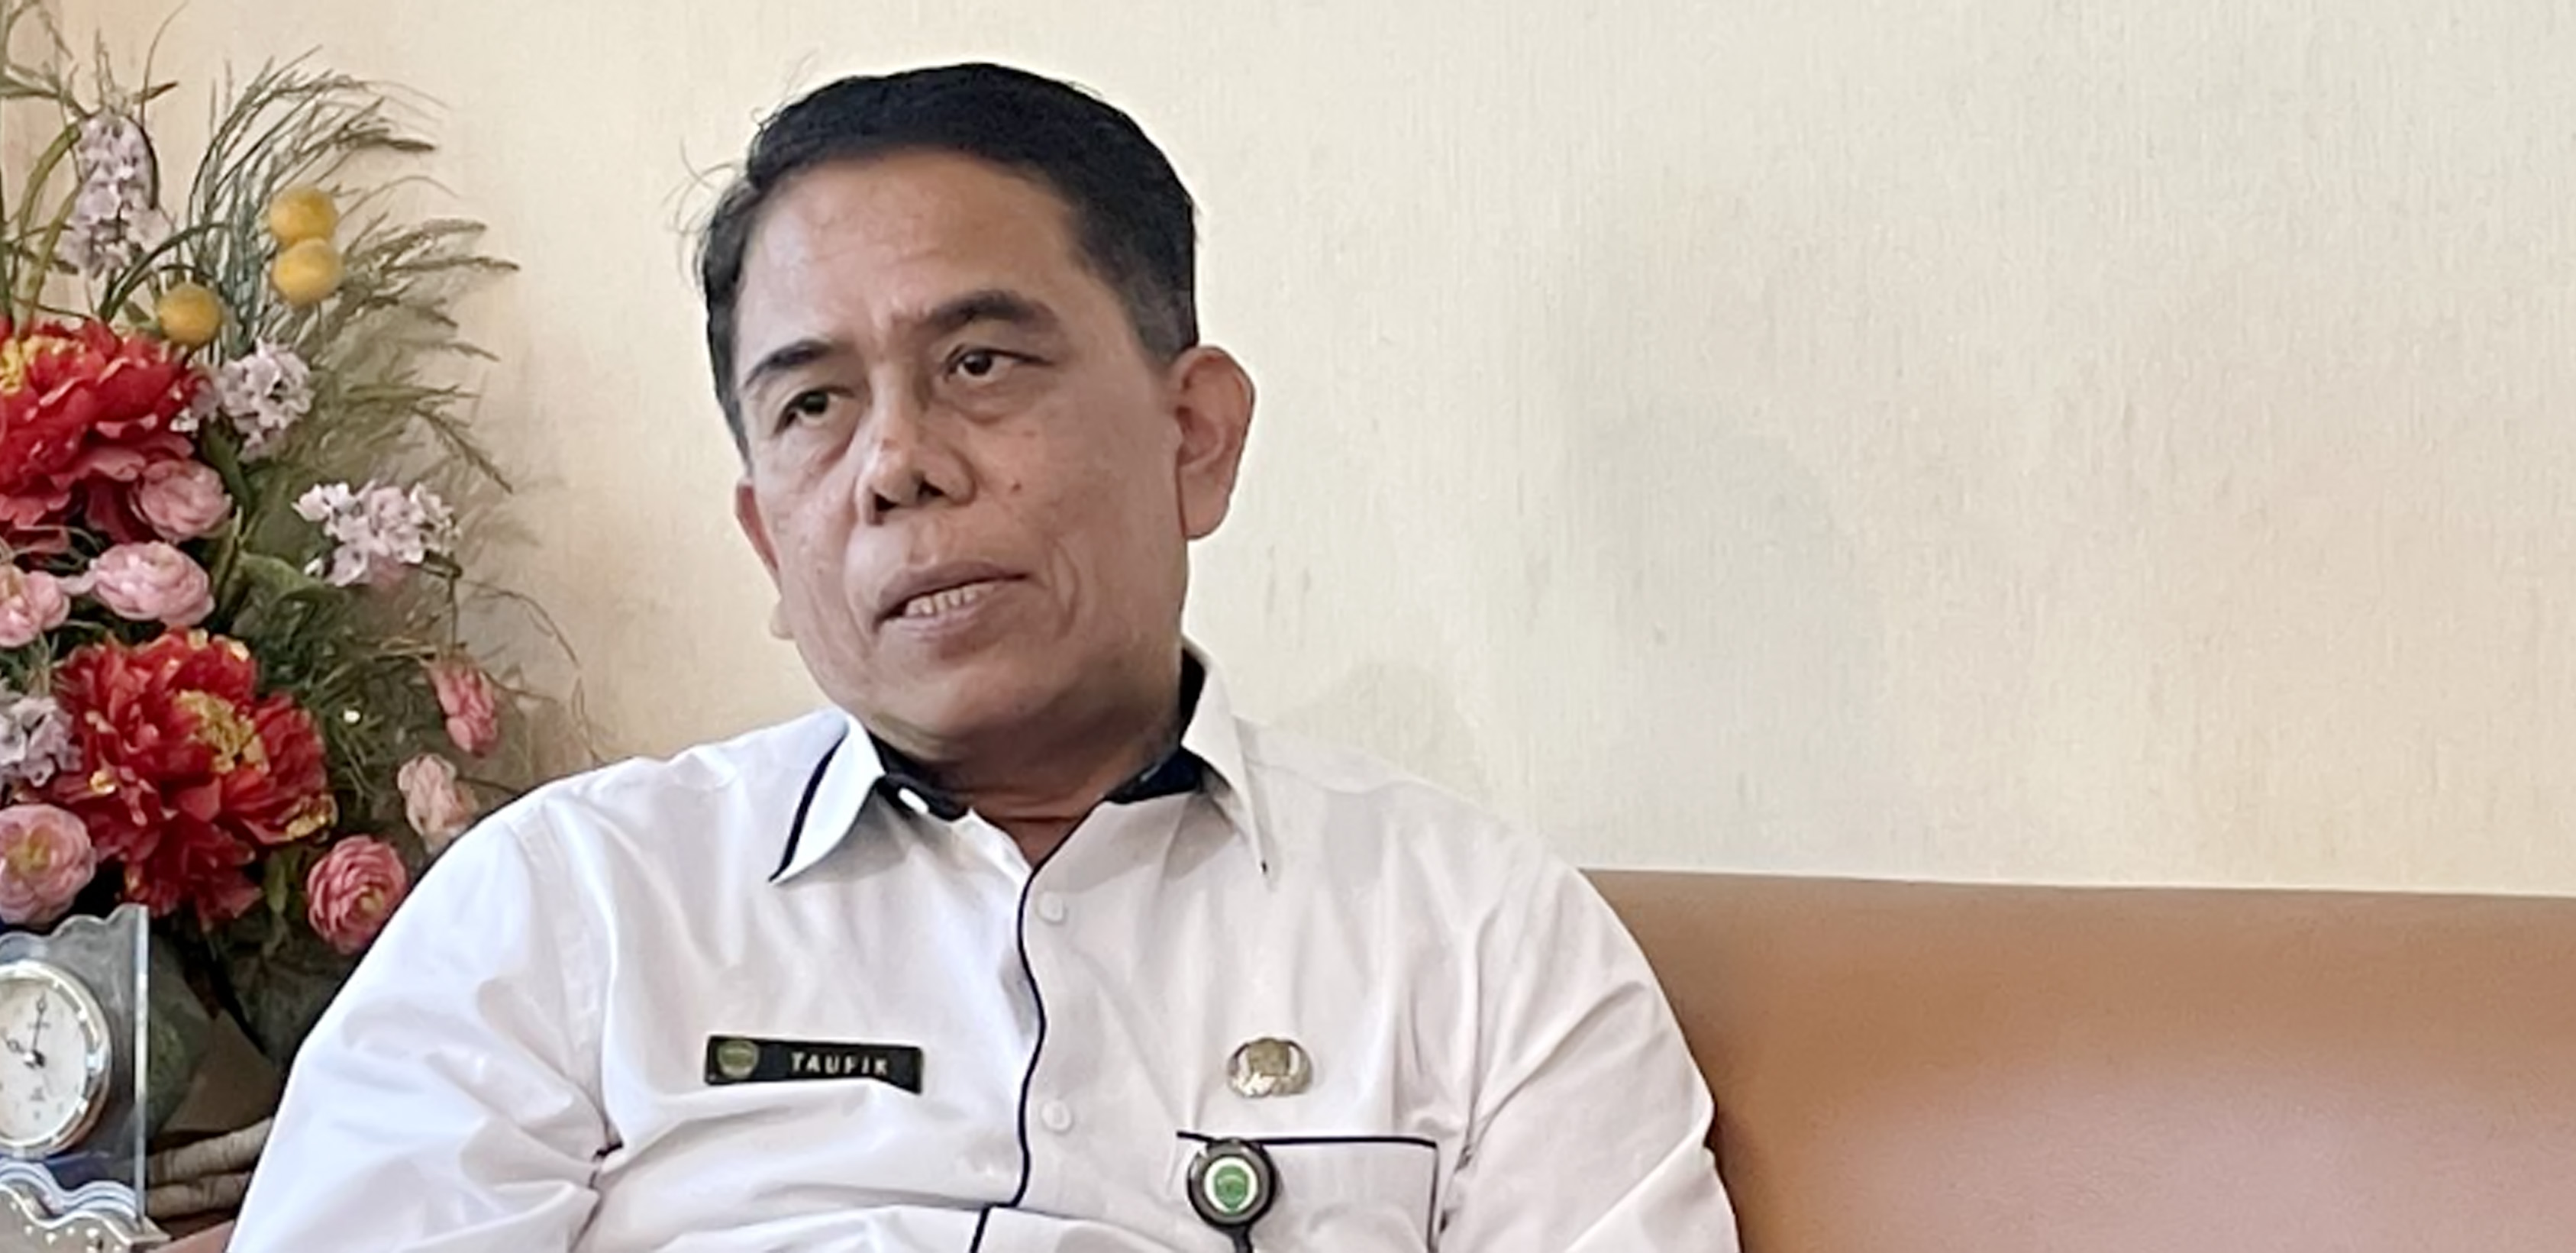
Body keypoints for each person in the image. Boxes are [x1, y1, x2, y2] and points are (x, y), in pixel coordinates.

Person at [228, 62, 1741, 1251]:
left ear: (1194, 436)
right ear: (768, 538)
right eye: (812, 405)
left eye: (979, 362)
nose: (897, 464)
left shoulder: (1477, 937)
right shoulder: (562, 908)